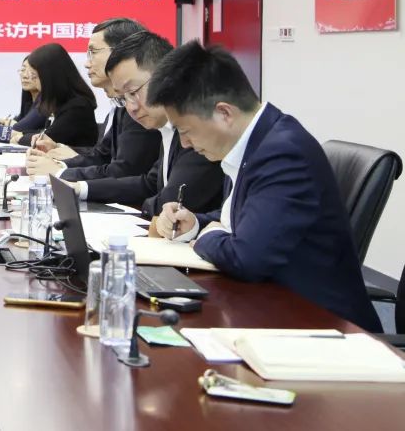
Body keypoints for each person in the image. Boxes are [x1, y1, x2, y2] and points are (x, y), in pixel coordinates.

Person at [150, 42, 380, 332]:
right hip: (277, 305)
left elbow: (246, 257)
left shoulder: (283, 153)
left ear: (224, 113)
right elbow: (244, 220)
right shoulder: (255, 141)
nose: (185, 143)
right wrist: (195, 224)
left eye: (186, 131)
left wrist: (206, 238)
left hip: (324, 326)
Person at [57, 31, 223, 218]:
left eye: (133, 92)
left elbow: (168, 202)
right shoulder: (164, 127)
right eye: (123, 98)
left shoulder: (197, 126)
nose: (131, 107)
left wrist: (145, 206)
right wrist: (80, 188)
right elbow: (150, 184)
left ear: (165, 76)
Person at [27, 17, 159, 181]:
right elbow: (102, 155)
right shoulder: (120, 104)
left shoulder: (140, 106)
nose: (87, 64)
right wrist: (60, 158)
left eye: (93, 53)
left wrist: (59, 171)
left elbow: (125, 171)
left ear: (123, 52)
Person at [9, 43, 98, 148]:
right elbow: (45, 131)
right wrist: (22, 135)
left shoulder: (77, 106)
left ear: (49, 76)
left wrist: (20, 137)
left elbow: (45, 140)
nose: (33, 81)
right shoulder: (59, 102)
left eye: (35, 76)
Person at [7, 57, 48, 134]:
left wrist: (9, 123)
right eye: (23, 70)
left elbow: (18, 129)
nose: (25, 76)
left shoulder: (47, 101)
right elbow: (20, 120)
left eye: (31, 71)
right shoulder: (28, 97)